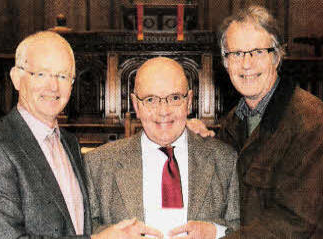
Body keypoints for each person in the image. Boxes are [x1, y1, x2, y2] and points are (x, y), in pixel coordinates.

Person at [0, 31, 162, 239]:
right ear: (16, 78)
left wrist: (182, 132)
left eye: (63, 76)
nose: (53, 86)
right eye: (41, 74)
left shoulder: (69, 142)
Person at [188, 5, 323, 238]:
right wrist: (196, 140)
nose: (246, 64)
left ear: (276, 57)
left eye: (257, 52)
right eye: (236, 54)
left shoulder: (312, 123)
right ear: (225, 63)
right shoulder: (235, 120)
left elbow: (293, 223)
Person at [85, 57, 240, 239]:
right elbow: (84, 230)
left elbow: (242, 226)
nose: (163, 111)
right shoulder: (98, 164)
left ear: (189, 101)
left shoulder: (225, 160)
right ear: (136, 104)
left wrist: (216, 232)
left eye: (174, 98)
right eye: (151, 100)